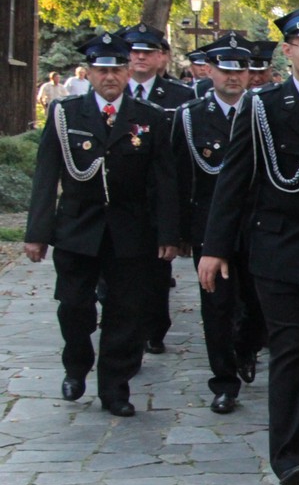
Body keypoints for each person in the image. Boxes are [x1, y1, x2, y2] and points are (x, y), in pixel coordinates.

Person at [197, 0, 299, 485]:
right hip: (278, 248)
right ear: (288, 52)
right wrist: (214, 246)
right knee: (291, 347)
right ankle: (287, 455)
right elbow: (234, 180)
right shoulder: (262, 106)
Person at [23, 32, 179, 417]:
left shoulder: (149, 118)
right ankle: (76, 365)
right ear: (89, 73)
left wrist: (169, 233)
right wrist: (37, 233)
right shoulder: (66, 115)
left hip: (131, 230)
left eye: (117, 69)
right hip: (78, 228)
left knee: (126, 312)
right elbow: (46, 176)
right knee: (73, 306)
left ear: (128, 72)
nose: (110, 77)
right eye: (101, 70)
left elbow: (164, 180)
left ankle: (115, 387)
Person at [174, 34, 253, 414]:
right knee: (216, 306)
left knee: (255, 303)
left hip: (255, 225)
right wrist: (179, 232)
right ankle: (224, 381)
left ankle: (248, 347)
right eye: (225, 70)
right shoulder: (190, 116)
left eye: (241, 70)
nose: (233, 77)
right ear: (210, 71)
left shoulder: (263, 110)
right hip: (209, 224)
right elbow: (177, 176)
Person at [120, 23, 196, 357]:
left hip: (160, 199)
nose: (140, 57)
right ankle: (124, 328)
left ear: (161, 57)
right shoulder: (112, 92)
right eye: (134, 51)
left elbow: (182, 154)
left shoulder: (180, 96)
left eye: (147, 52)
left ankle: (154, 328)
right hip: (122, 200)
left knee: (156, 272)